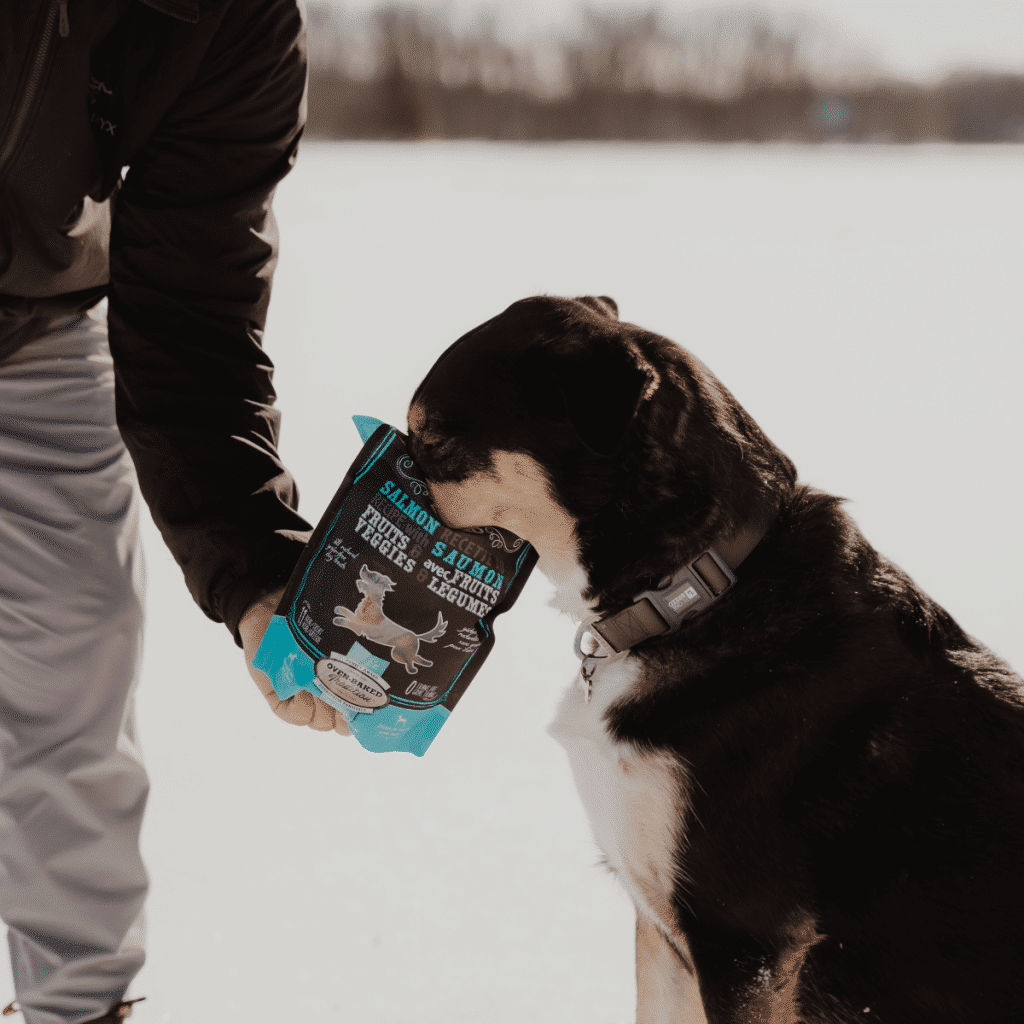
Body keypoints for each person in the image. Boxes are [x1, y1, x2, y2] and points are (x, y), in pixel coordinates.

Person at [0, 1, 346, 1021]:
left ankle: (80, 1006)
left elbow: (193, 322)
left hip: (34, 328)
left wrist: (261, 578)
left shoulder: (228, 18)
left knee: (76, 640)